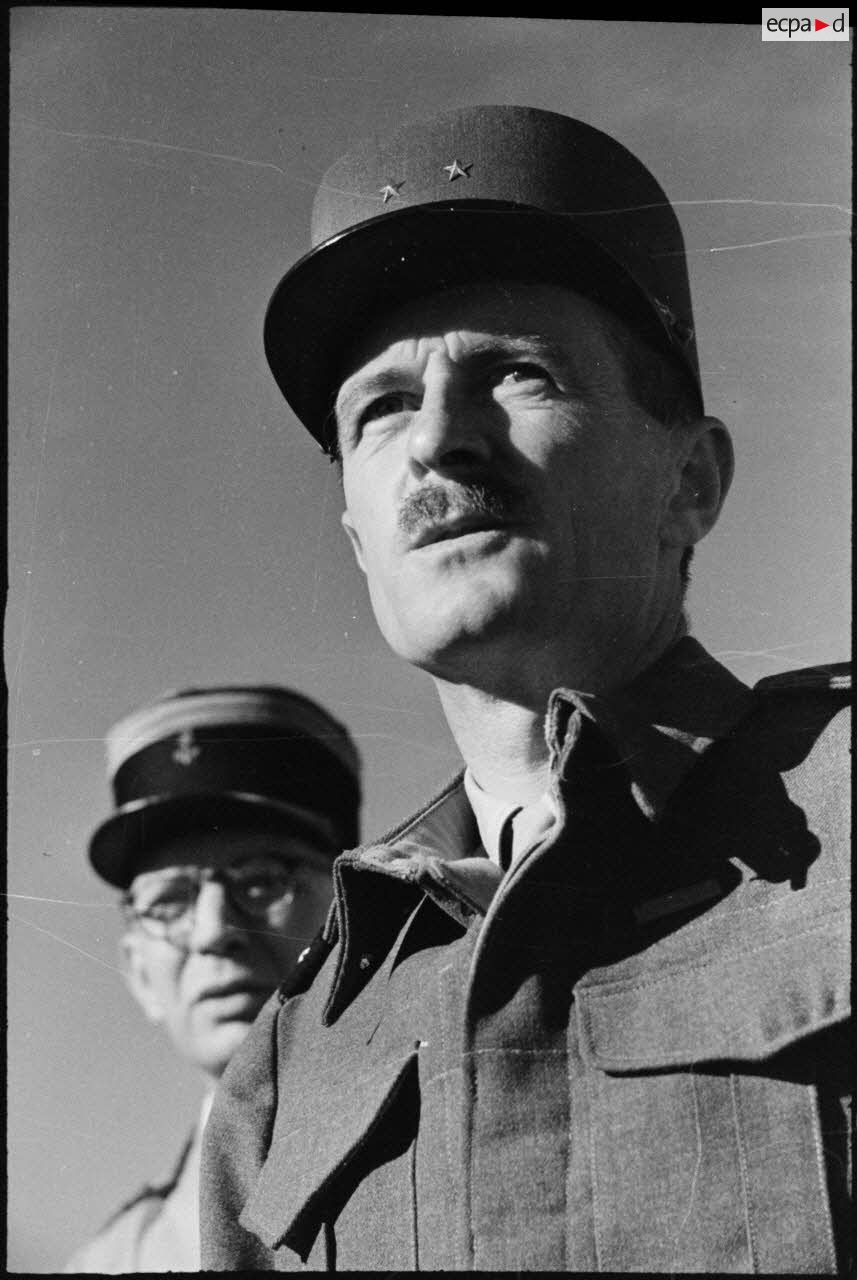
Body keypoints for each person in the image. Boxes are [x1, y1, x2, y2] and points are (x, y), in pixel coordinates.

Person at [200, 106, 850, 1273]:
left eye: (517, 372)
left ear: (689, 479)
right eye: (381, 407)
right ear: (356, 536)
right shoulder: (291, 1055)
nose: (439, 441)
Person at [64, 684, 361, 1273]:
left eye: (260, 881)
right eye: (170, 901)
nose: (211, 931)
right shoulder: (112, 1262)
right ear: (139, 973)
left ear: (350, 907)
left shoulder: (456, 1156)